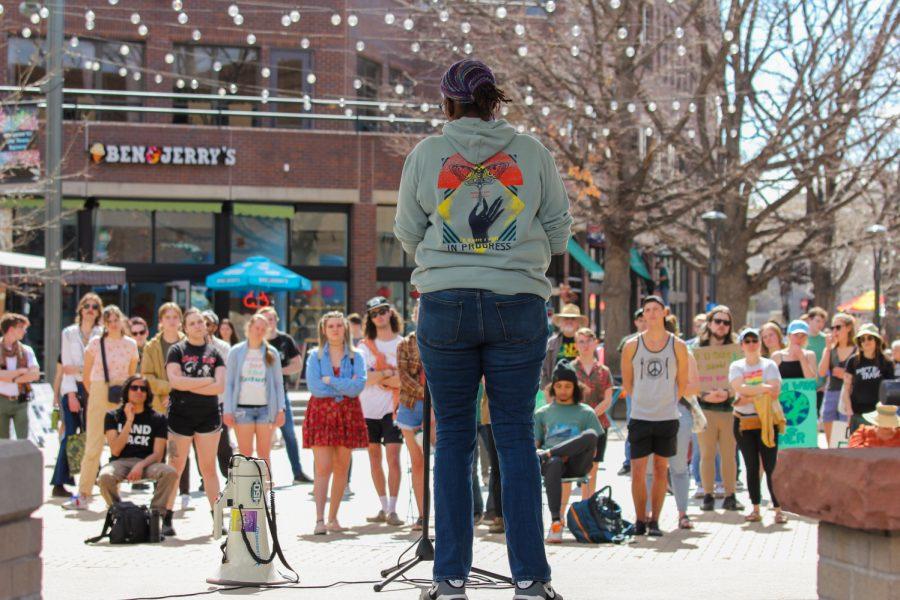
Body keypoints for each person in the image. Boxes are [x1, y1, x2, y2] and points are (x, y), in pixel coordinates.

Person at [394, 58, 572, 600]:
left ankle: (448, 579)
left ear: (448, 103)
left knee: (451, 438)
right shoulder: (532, 153)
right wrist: (513, 248)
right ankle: (530, 580)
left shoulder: (426, 154)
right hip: (517, 304)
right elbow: (561, 230)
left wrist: (455, 253)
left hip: (444, 304)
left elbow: (406, 231)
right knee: (516, 436)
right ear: (494, 100)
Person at [621, 296, 689, 537]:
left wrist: (669, 400)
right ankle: (640, 519)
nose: (651, 314)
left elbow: (683, 381)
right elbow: (627, 383)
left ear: (664, 312)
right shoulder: (631, 345)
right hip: (640, 416)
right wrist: (643, 400)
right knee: (638, 471)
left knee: (661, 469)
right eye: (647, 310)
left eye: (655, 309)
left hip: (667, 416)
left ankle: (655, 521)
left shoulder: (678, 345)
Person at [65, 305, 138, 509]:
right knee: (93, 442)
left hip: (121, 392)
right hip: (99, 390)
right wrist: (96, 392)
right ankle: (84, 492)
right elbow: (87, 375)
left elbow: (132, 373)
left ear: (122, 320)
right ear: (104, 324)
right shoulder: (96, 343)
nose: (113, 324)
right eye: (109, 321)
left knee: (120, 444)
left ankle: (113, 495)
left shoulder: (131, 344)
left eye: (116, 319)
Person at [303, 311, 368, 534]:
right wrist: (343, 385)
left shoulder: (356, 356)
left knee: (342, 467)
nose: (335, 329)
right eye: (331, 326)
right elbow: (315, 388)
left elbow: (358, 386)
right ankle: (319, 519)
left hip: (347, 414)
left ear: (345, 329)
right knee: (322, 467)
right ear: (324, 329)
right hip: (321, 413)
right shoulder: (315, 355)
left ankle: (333, 518)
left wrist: (330, 380)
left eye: (339, 326)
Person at [165, 308, 226, 528]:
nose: (198, 326)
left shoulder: (215, 353)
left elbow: (220, 386)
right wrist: (205, 382)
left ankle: (217, 519)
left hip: (208, 416)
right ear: (185, 327)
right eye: (192, 323)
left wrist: (188, 384)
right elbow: (174, 382)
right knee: (174, 466)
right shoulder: (176, 350)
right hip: (179, 417)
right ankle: (166, 518)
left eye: (201, 322)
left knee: (208, 468)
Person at [97, 375, 178, 536]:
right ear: (127, 391)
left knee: (170, 473)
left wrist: (140, 465)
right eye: (134, 388)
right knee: (105, 477)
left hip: (147, 462)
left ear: (148, 394)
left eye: (143, 389)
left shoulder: (158, 419)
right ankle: (121, 513)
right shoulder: (112, 416)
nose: (139, 391)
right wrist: (129, 421)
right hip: (120, 462)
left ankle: (154, 516)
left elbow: (158, 453)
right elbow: (115, 450)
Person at [534, 362, 602, 544]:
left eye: (567, 386)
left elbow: (593, 444)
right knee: (554, 461)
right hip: (551, 465)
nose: (563, 390)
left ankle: (550, 453)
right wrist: (545, 453)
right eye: (559, 386)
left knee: (590, 434)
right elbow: (534, 445)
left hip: (577, 464)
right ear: (553, 387)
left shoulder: (586, 412)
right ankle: (556, 521)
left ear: (575, 387)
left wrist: (549, 452)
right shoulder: (542, 413)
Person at [729, 328, 786, 524]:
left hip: (766, 421)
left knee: (771, 466)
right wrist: (762, 389)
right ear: (742, 345)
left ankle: (779, 509)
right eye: (748, 341)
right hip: (744, 423)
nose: (752, 344)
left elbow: (775, 391)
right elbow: (739, 388)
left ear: (760, 344)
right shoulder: (736, 366)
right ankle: (755, 508)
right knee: (751, 466)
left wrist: (747, 396)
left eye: (755, 340)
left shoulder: (769, 365)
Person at [358, 296, 404, 527]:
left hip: (394, 409)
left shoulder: (403, 343)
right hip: (367, 409)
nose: (380, 316)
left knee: (393, 457)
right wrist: (388, 374)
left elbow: (407, 379)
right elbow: (364, 379)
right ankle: (383, 505)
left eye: (383, 311)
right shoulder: (364, 346)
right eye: (374, 313)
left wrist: (382, 376)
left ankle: (393, 509)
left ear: (390, 312)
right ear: (370, 318)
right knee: (374, 457)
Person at [52, 294, 102, 497]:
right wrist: (71, 393)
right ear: (80, 309)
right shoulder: (69, 333)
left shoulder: (101, 333)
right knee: (71, 434)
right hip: (72, 388)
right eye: (87, 306)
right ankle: (59, 481)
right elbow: (66, 366)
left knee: (93, 434)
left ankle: (90, 477)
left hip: (95, 387)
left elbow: (98, 365)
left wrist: (80, 369)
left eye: (94, 307)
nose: (90, 309)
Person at [223, 313, 286, 469]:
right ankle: (247, 491)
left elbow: (279, 384)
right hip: (242, 410)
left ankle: (264, 491)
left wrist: (281, 409)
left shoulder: (272, 353)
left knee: (264, 454)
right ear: (249, 327)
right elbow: (229, 383)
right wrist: (228, 410)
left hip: (266, 409)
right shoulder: (235, 352)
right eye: (256, 327)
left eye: (263, 329)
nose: (259, 331)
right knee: (246, 454)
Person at [258, 307, 313, 484]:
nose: (269, 322)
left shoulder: (285, 340)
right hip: (258, 397)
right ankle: (265, 476)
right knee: (262, 437)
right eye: (265, 319)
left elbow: (297, 364)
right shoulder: (255, 341)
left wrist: (277, 371)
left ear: (277, 320)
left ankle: (297, 473)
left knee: (289, 433)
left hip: (281, 394)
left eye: (272, 319)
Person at [695, 305, 742, 512]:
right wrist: (704, 395)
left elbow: (744, 377)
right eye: (718, 321)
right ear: (710, 323)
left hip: (729, 410)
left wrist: (729, 393)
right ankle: (708, 495)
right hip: (705, 410)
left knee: (729, 454)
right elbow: (689, 378)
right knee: (706, 454)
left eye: (726, 322)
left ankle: (730, 495)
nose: (722, 326)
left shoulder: (736, 350)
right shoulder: (697, 349)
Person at [570, 327, 612, 498]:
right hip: (573, 424)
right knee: (569, 468)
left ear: (595, 343)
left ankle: (586, 507)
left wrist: (590, 414)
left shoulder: (604, 371)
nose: (585, 345)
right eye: (581, 341)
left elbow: (608, 399)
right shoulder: (569, 369)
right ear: (576, 345)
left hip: (598, 425)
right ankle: (561, 516)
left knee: (592, 468)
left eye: (588, 341)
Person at [397, 302, 427, 530]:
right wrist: (425, 394)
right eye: (419, 312)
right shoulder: (406, 343)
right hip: (411, 405)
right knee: (417, 463)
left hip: (439, 407)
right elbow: (404, 376)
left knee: (444, 463)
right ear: (414, 316)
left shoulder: (444, 339)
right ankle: (422, 514)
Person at [841, 324, 895, 434]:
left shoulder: (887, 362)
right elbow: (846, 389)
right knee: (858, 448)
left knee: (877, 449)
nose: (866, 341)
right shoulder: (853, 361)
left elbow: (890, 392)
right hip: (857, 413)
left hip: (879, 416)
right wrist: (849, 412)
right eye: (862, 339)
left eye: (870, 338)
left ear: (876, 341)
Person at [202, 311, 234, 479]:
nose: (204, 327)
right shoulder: (188, 346)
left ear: (214, 327)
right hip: (198, 401)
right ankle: (204, 478)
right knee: (199, 443)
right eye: (202, 323)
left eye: (208, 324)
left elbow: (228, 376)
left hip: (219, 400)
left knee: (223, 442)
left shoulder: (223, 347)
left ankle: (229, 475)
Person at [618, 308, 648, 477]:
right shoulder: (628, 341)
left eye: (646, 319)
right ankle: (628, 460)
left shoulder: (655, 340)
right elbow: (624, 366)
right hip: (633, 389)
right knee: (632, 423)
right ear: (636, 322)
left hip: (651, 389)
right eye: (640, 320)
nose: (643, 323)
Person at [0, 313, 40, 440]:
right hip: (1, 400)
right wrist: (20, 372)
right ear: (11, 329)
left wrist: (11, 379)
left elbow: (35, 374)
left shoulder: (26, 350)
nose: (25, 331)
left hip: (21, 399)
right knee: (2, 442)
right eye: (21, 327)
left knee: (23, 441)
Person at [818, 313, 855, 445]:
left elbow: (860, 375)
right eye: (832, 328)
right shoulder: (830, 350)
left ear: (849, 328)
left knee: (844, 438)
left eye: (838, 327)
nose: (834, 331)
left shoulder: (856, 350)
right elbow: (821, 372)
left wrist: (846, 373)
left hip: (848, 395)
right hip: (832, 393)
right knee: (831, 441)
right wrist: (828, 349)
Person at [540, 304, 587, 392]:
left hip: (581, 391)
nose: (569, 321)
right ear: (561, 322)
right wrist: (548, 388)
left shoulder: (587, 342)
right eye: (566, 318)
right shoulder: (551, 343)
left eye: (573, 319)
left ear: (578, 323)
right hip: (557, 392)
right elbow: (543, 368)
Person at [805, 307, 829, 417]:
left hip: (821, 388)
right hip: (804, 386)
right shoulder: (802, 339)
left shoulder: (826, 340)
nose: (820, 324)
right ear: (809, 320)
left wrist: (826, 384)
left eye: (823, 321)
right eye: (818, 320)